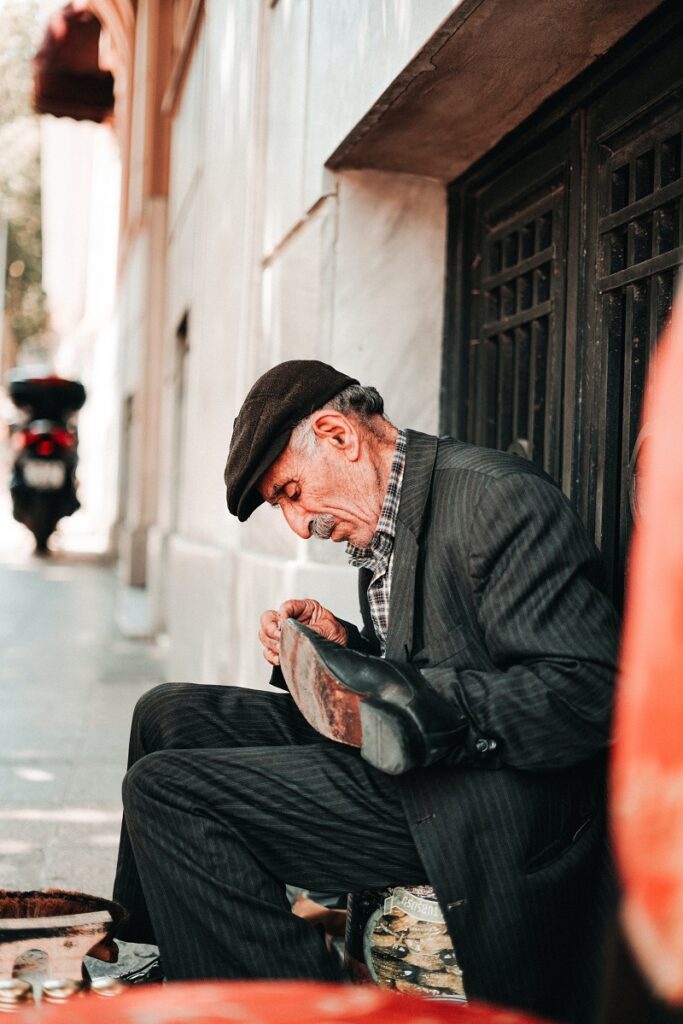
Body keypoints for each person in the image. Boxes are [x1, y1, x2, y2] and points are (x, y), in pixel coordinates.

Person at [112, 360, 619, 1024]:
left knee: (168, 790)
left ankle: (295, 1010)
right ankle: (186, 960)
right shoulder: (388, 512)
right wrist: (347, 649)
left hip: (482, 797)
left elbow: (588, 692)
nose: (299, 526)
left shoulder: (497, 499)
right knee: (167, 713)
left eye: (291, 492)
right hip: (417, 761)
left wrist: (411, 700)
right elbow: (431, 657)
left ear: (338, 435)